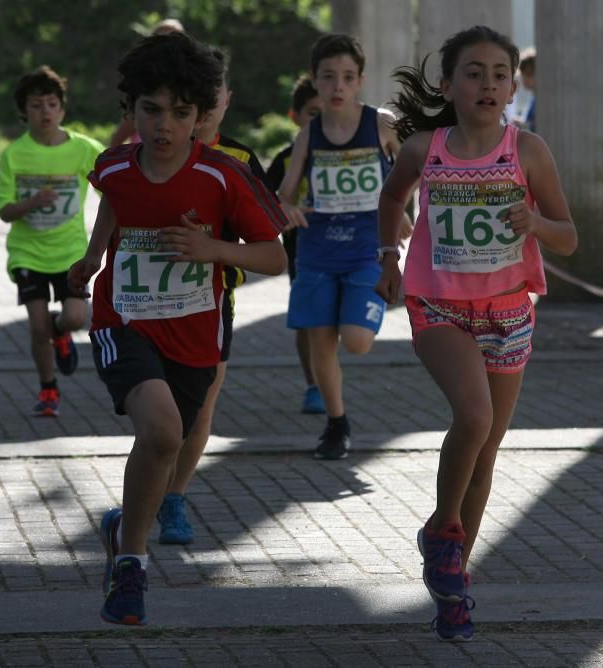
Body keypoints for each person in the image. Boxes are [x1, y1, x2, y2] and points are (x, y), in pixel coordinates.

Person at [68, 32, 286, 626]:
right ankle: (131, 566)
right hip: (125, 323)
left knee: (169, 442)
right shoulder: (112, 165)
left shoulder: (222, 175)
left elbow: (275, 256)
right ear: (131, 109)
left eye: (182, 113)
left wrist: (211, 248)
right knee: (163, 432)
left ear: (202, 114)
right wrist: (93, 257)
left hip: (195, 338)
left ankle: (123, 526)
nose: (165, 126)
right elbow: (116, 203)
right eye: (151, 110)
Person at [377, 26, 577, 641]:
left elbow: (568, 236)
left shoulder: (529, 150)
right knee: (473, 418)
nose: (487, 84)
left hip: (509, 313)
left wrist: (535, 221)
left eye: (499, 74)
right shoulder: (423, 148)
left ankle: (453, 580)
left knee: (486, 448)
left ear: (514, 86)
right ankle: (443, 529)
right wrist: (390, 254)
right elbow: (391, 202)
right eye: (474, 72)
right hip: (439, 306)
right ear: (448, 85)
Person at [153, 47, 274, 546]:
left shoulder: (240, 158)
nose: (203, 109)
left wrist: (215, 248)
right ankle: (145, 493)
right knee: (156, 412)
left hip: (211, 301)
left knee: (200, 410)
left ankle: (173, 497)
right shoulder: (144, 154)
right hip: (144, 304)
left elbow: (268, 239)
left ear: (224, 100)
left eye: (212, 98)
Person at [277, 33, 403, 460]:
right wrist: (288, 208)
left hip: (367, 248)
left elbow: (415, 168)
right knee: (320, 339)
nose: (337, 86)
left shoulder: (380, 123)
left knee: (357, 341)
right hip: (316, 251)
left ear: (360, 81)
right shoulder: (308, 136)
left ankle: (338, 417)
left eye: (347, 77)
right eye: (328, 77)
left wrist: (400, 209)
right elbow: (284, 194)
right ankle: (336, 423)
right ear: (315, 80)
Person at [0, 66, 104, 416]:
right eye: (36, 105)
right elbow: (4, 211)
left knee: (74, 318)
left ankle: (62, 336)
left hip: (71, 251)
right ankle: (48, 389)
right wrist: (31, 203)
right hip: (28, 253)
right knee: (37, 325)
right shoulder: (15, 154)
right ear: (24, 110)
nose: (45, 112)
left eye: (52, 104)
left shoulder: (85, 149)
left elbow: (115, 186)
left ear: (62, 108)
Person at [265, 74, 326, 415]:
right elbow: (264, 201)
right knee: (307, 321)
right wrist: (283, 209)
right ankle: (314, 385)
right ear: (295, 116)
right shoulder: (285, 159)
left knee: (328, 325)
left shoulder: (350, 155)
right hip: (300, 253)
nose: (320, 120)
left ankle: (328, 378)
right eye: (312, 113)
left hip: (341, 251)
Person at [108, 18, 185, 148]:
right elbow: (118, 139)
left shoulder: (193, 86)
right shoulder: (143, 86)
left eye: (175, 38)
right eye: (162, 39)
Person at [502, 47, 534, 131]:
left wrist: (522, 124)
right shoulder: (533, 98)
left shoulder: (540, 100)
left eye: (526, 75)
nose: (523, 79)